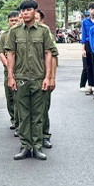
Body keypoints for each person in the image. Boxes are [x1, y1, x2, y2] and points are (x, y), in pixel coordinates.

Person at [5, 0, 57, 161]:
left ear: (35, 12)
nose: (25, 13)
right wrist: (10, 76)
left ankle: (37, 146)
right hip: (20, 79)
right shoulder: (14, 31)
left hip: (38, 78)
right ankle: (25, 146)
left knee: (38, 114)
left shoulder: (43, 30)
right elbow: (11, 54)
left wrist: (48, 77)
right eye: (23, 10)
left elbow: (49, 54)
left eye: (28, 10)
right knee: (23, 114)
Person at [36, 9, 59, 149]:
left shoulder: (46, 33)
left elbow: (53, 57)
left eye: (38, 18)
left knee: (43, 109)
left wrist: (52, 78)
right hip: (26, 77)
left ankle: (44, 136)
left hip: (43, 77)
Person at [0, 11, 21, 130]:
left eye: (16, 20)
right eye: (11, 21)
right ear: (8, 22)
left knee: (19, 98)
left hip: (22, 70)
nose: (14, 23)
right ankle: (13, 119)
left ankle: (20, 122)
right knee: (10, 97)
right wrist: (9, 66)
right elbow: (1, 53)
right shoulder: (4, 35)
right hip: (8, 71)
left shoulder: (22, 33)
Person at [80, 2, 94, 95]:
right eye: (91, 8)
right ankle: (91, 86)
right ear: (88, 10)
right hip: (87, 44)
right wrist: (83, 49)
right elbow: (83, 36)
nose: (93, 10)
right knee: (89, 66)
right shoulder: (85, 22)